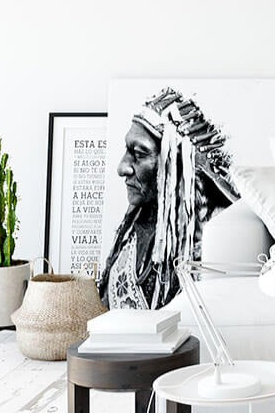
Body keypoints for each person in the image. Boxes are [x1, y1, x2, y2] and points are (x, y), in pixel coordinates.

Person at [98, 88, 238, 309]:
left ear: (177, 165)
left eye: (140, 153)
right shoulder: (135, 227)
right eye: (127, 151)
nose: (122, 168)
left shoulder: (216, 242)